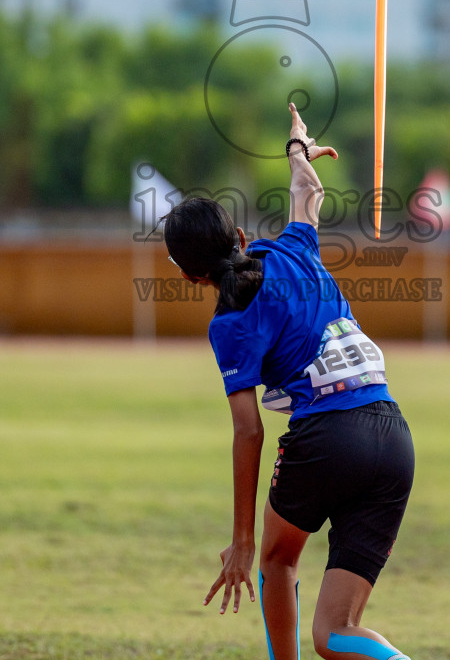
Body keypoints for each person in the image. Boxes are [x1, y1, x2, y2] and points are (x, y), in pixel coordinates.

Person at [163, 103, 416, 660]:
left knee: (279, 560)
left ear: (188, 275)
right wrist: (297, 146)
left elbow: (248, 431)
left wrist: (242, 540)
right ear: (240, 233)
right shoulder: (293, 248)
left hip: (327, 437)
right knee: (338, 633)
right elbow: (308, 190)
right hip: (394, 436)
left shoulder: (228, 322)